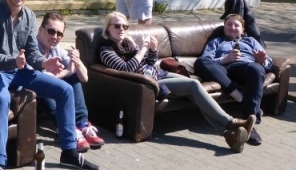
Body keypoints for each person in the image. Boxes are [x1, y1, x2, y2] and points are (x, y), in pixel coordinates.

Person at [0, 0, 100, 170]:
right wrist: (13, 61)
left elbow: (32, 54)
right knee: (2, 99)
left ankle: (69, 152)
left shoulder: (30, 16)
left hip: (19, 71)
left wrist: (44, 63)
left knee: (65, 90)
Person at [98, 12, 256, 153]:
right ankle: (231, 122)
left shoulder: (129, 44)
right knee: (193, 85)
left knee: (194, 89)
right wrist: (143, 49)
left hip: (158, 74)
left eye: (125, 26)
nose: (121, 29)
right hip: (148, 83)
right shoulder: (106, 51)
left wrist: (153, 50)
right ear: (108, 29)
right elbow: (127, 69)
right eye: (117, 26)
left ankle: (229, 135)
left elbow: (150, 62)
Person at [194, 14, 272, 146]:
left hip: (246, 67)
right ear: (224, 27)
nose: (232, 27)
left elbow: (268, 61)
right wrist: (224, 59)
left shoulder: (251, 41)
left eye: (236, 25)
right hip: (222, 70)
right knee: (200, 62)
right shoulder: (217, 41)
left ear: (243, 29)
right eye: (229, 24)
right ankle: (239, 96)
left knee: (257, 69)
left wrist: (262, 61)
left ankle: (249, 122)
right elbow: (206, 59)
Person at [35, 12, 105, 152]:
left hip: (50, 88)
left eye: (59, 34)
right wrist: (67, 71)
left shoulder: (56, 49)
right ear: (40, 30)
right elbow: (40, 79)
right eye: (51, 31)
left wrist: (77, 61)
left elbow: (84, 78)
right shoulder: (32, 47)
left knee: (74, 77)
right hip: (33, 90)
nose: (55, 37)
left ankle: (82, 124)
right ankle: (68, 129)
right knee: (47, 84)